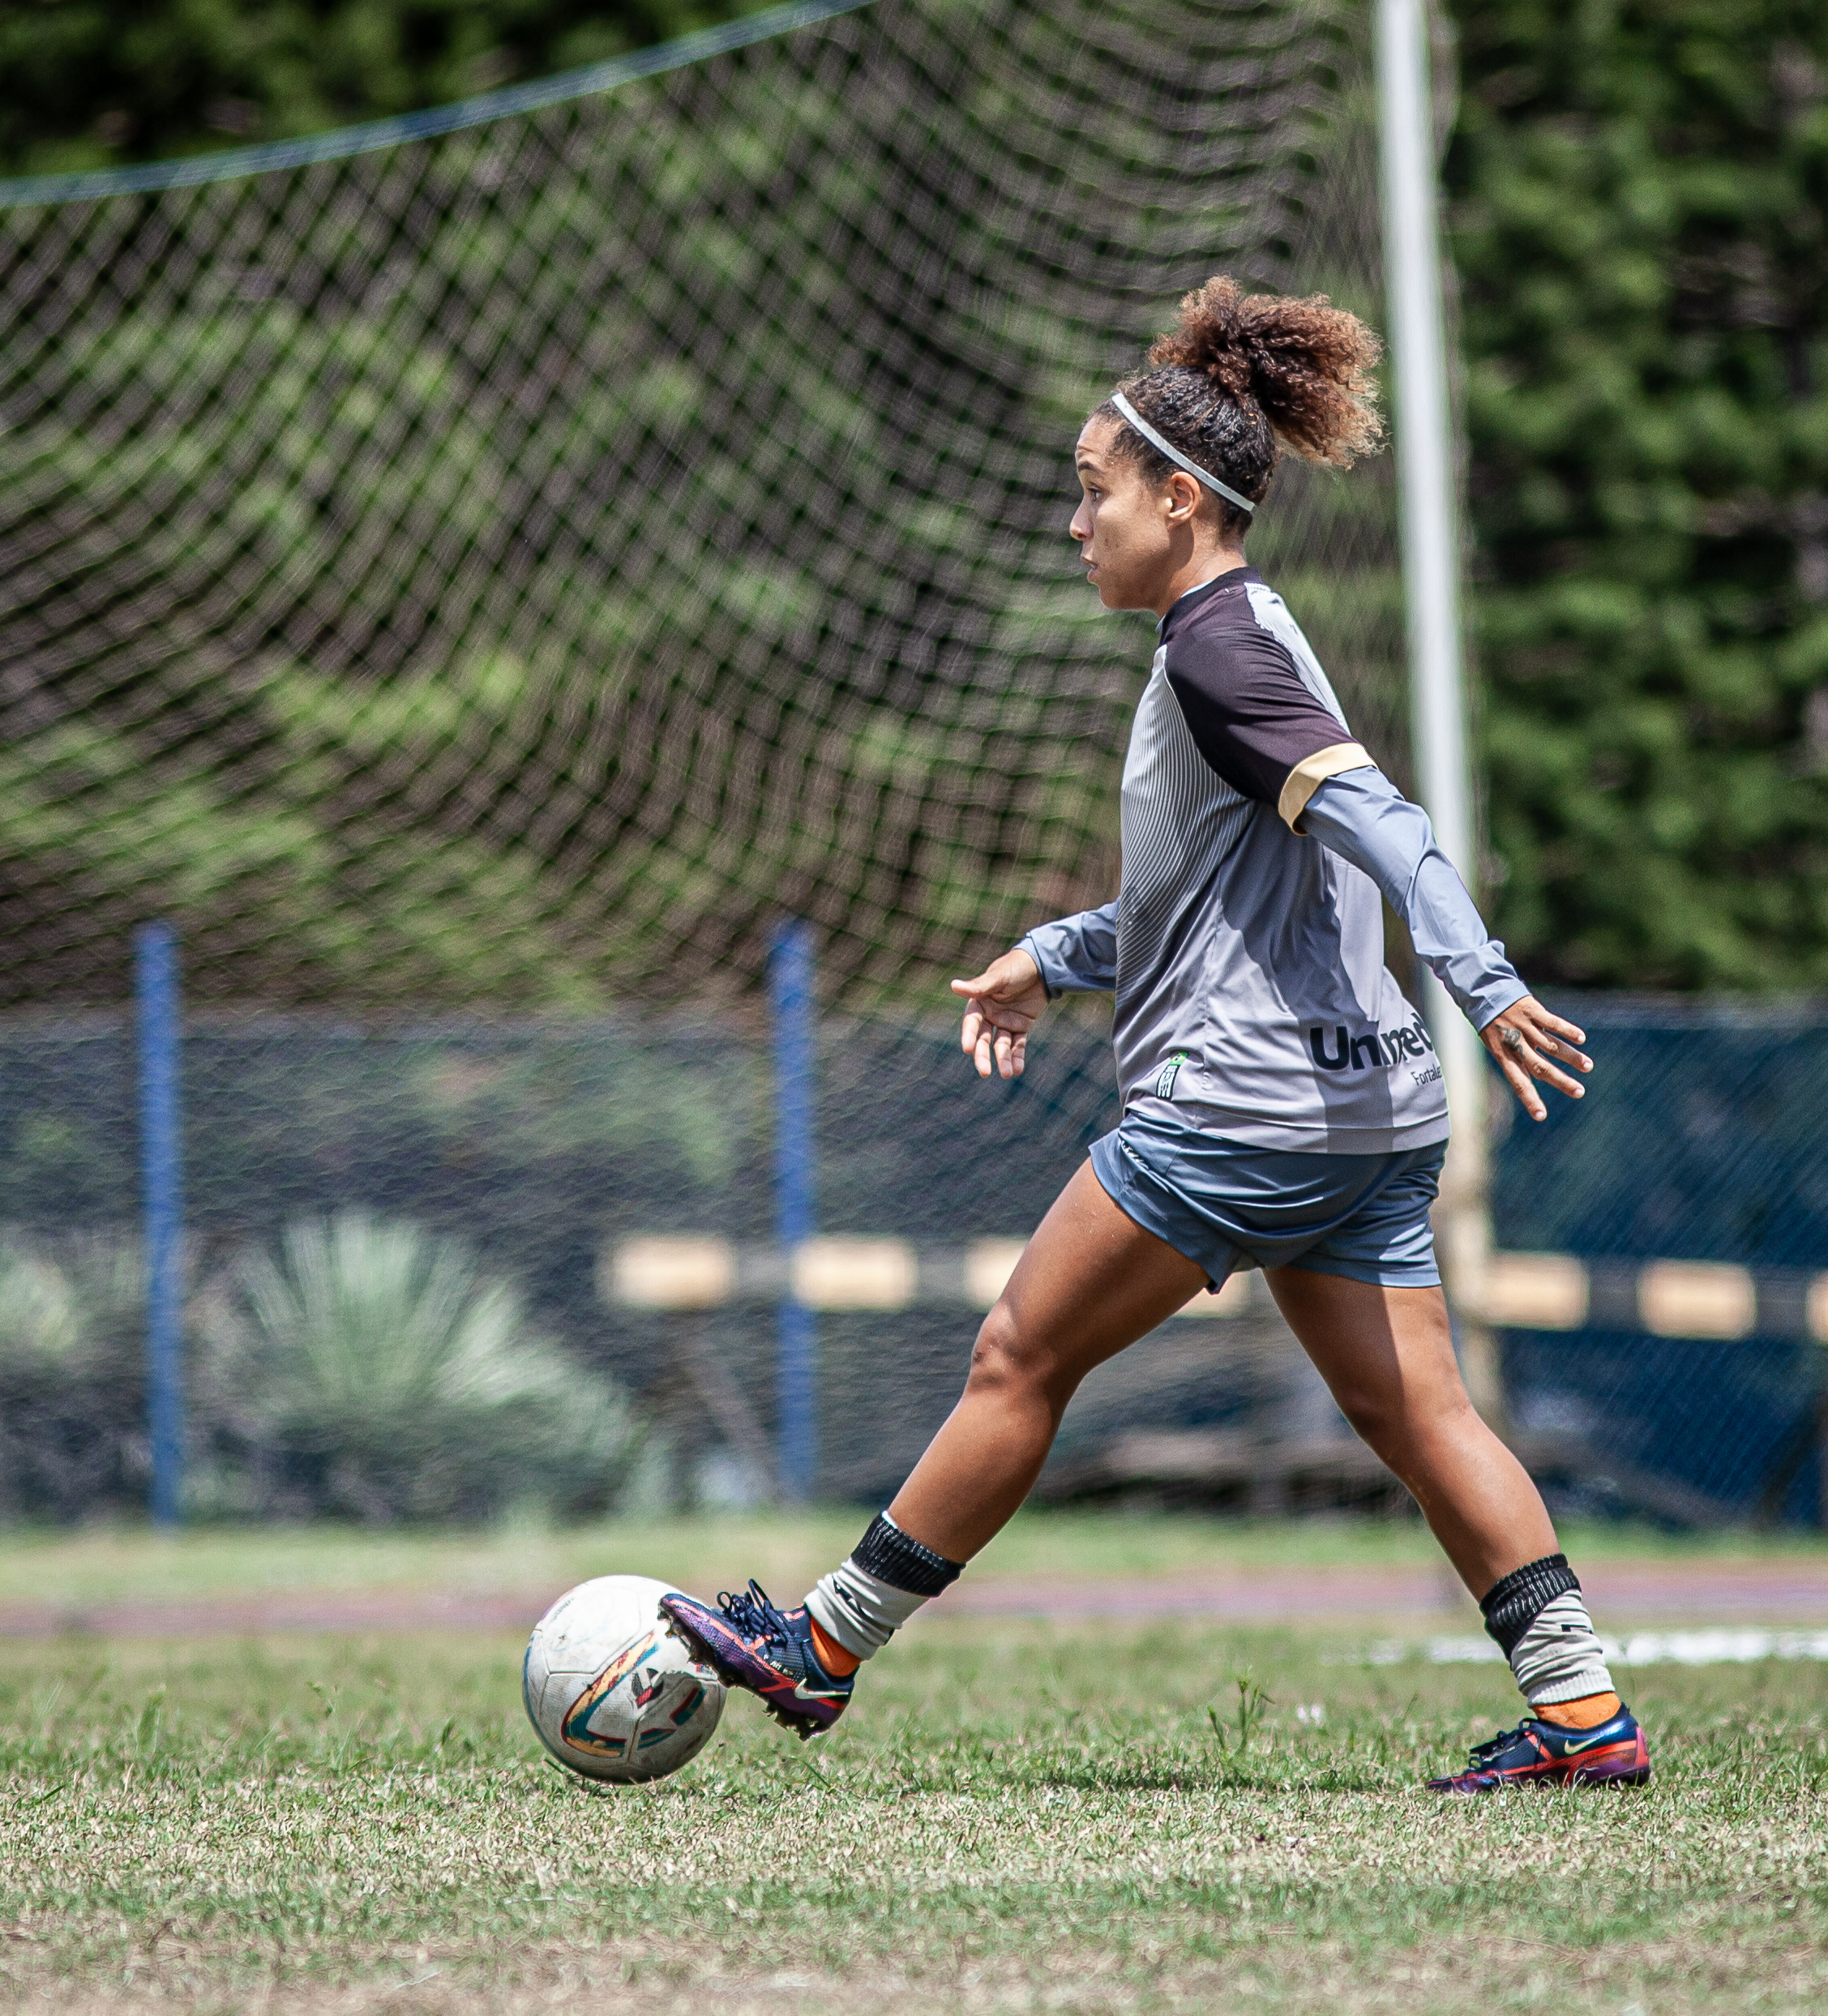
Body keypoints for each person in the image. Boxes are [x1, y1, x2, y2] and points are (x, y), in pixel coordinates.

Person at [664, 279, 1644, 1793]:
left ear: (1178, 501)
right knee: (1427, 1413)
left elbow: (1387, 826)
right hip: (1372, 1118)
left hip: (1238, 1120)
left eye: (1092, 491)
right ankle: (1585, 1717)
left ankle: (823, 1646)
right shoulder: (1253, 639)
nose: (1076, 524)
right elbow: (1199, 901)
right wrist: (1055, 957)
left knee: (1017, 1356)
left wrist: (1487, 977)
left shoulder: (1217, 655)